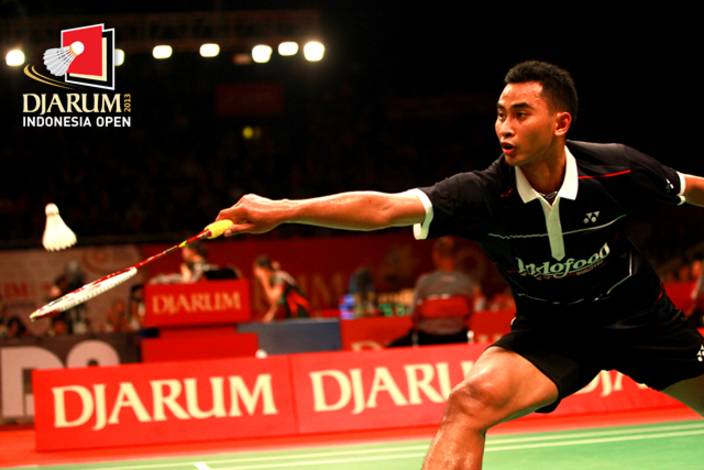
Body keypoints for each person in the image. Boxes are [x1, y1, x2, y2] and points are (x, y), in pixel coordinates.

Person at [215, 61, 704, 469]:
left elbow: (692, 189)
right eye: (500, 115)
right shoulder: (481, 194)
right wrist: (282, 210)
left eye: (521, 114)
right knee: (469, 402)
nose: (505, 127)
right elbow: (383, 208)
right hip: (552, 334)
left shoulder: (617, 167)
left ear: (560, 124)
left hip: (641, 320)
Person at [389, 236, 477, 346]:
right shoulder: (467, 282)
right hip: (459, 338)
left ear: (436, 255)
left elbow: (413, 315)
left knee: (392, 346)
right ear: (456, 256)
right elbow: (471, 313)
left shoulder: (425, 281)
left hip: (427, 339)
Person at [253, 255, 310, 322]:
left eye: (256, 269)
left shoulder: (279, 277)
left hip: (299, 313)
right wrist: (270, 315)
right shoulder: (273, 279)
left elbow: (273, 299)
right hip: (290, 314)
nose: (255, 272)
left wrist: (264, 279)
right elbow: (277, 303)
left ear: (264, 269)